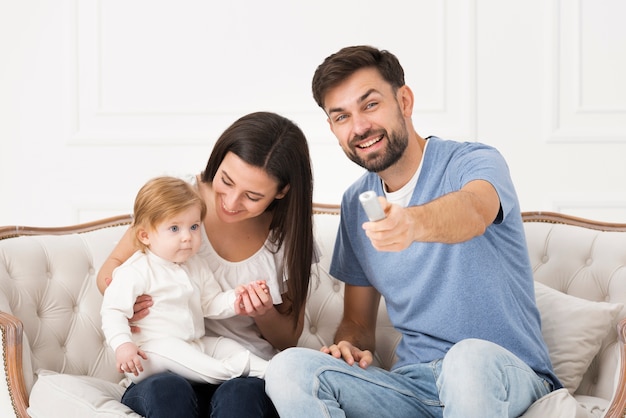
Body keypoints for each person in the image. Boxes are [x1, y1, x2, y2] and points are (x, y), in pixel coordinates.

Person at [264, 45, 561, 418]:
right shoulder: (357, 203)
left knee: (466, 358)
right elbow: (357, 322)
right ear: (332, 128)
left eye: (370, 105)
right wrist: (348, 345)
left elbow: (474, 209)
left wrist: (412, 223)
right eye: (342, 117)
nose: (359, 127)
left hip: (504, 375)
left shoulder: (472, 161)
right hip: (414, 387)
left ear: (404, 100)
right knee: (289, 368)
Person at [97, 111, 315, 418]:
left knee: (240, 398)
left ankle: (238, 373)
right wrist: (129, 303)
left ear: (281, 192)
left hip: (239, 370)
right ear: (218, 159)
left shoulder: (289, 235)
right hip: (164, 369)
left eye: (252, 196)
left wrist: (260, 310)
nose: (230, 201)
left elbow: (287, 338)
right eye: (226, 181)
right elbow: (112, 271)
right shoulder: (179, 200)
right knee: (167, 393)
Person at [101, 176, 269, 385]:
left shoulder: (196, 265)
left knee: (224, 345)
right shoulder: (135, 271)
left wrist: (237, 299)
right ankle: (227, 372)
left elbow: (210, 302)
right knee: (172, 349)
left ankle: (270, 368)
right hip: (148, 354)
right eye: (174, 229)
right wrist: (123, 345)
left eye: (194, 227)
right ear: (145, 236)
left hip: (193, 345)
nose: (187, 237)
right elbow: (113, 311)